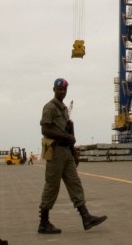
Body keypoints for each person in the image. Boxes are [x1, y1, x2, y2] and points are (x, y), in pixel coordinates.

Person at [38, 78, 107, 234]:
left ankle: (86, 217)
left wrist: (74, 152)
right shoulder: (50, 107)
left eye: (64, 90)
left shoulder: (63, 108)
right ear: (54, 90)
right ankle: (43, 222)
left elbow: (68, 130)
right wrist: (65, 137)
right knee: (52, 186)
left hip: (66, 152)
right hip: (55, 152)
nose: (62, 92)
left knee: (75, 183)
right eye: (59, 89)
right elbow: (45, 130)